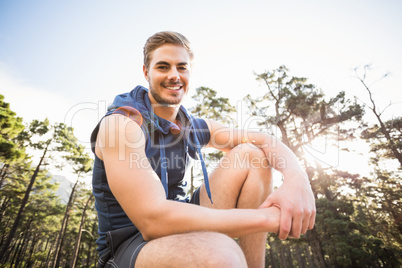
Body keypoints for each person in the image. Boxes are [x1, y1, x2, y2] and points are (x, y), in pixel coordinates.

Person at [90, 31, 316, 268]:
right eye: (163, 67)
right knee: (221, 254)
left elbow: (264, 139)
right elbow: (153, 221)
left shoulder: (190, 126)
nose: (174, 75)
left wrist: (297, 178)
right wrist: (270, 218)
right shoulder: (121, 124)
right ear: (147, 72)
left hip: (181, 222)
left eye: (182, 67)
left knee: (251, 156)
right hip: (129, 246)